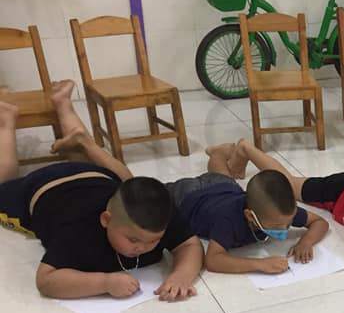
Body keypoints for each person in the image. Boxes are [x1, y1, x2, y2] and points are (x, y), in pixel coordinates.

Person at [0, 82, 202, 300]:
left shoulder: (159, 210)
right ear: (106, 219)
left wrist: (181, 276)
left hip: (95, 176)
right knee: (4, 185)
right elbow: (46, 280)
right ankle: (6, 121)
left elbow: (190, 244)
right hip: (43, 187)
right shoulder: (77, 230)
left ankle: (65, 108)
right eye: (133, 240)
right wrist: (104, 283)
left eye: (154, 241)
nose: (143, 248)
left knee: (130, 183)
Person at [167, 140, 329, 275]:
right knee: (162, 198)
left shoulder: (281, 210)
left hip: (224, 187)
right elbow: (213, 260)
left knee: (221, 175)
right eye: (277, 226)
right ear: (250, 216)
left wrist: (306, 242)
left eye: (289, 223)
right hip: (188, 197)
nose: (284, 229)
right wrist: (260, 264)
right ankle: (217, 155)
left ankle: (218, 153)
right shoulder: (228, 220)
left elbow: (320, 222)